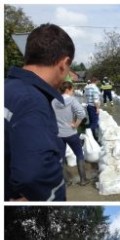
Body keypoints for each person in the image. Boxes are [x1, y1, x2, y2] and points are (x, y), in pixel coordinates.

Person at [4, 23, 75, 201]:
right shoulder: (32, 101)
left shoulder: (7, 89)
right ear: (64, 63)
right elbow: (33, 175)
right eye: (68, 69)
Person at [52, 81, 88, 186]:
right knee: (79, 154)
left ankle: (67, 181)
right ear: (67, 89)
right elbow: (81, 113)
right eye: (72, 90)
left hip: (58, 134)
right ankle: (83, 180)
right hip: (71, 133)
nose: (73, 92)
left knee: (61, 158)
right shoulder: (72, 101)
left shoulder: (53, 101)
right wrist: (76, 125)